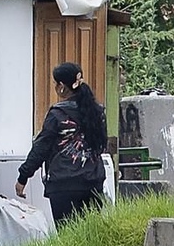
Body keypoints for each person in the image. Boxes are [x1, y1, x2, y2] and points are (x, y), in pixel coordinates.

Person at [19, 61, 108, 226]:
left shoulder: (57, 114)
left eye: (55, 83)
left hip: (64, 184)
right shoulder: (98, 112)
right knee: (93, 237)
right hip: (93, 182)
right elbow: (102, 144)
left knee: (68, 237)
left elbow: (41, 148)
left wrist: (23, 177)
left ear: (61, 86)